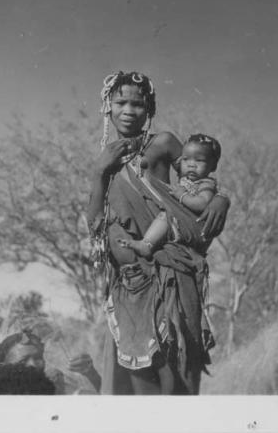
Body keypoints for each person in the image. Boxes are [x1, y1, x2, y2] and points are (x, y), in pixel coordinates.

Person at [88, 71, 229, 395]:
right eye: (120, 102)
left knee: (175, 377)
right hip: (130, 283)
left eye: (137, 104)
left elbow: (200, 174)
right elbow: (95, 225)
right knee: (138, 384)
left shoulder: (163, 143)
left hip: (168, 276)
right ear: (107, 107)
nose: (128, 110)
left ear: (149, 109)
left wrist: (222, 198)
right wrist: (98, 171)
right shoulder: (104, 159)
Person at [117, 133, 222, 258]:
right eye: (186, 159)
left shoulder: (206, 184)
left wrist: (182, 196)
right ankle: (147, 243)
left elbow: (202, 204)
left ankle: (147, 245)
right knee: (164, 215)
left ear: (213, 166)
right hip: (183, 220)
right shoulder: (188, 180)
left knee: (166, 217)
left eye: (199, 160)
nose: (191, 164)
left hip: (196, 226)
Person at [0, 330, 101, 395]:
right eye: (23, 361)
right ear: (3, 368)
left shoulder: (55, 383)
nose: (34, 364)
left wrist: (91, 374)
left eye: (38, 358)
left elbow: (100, 402)